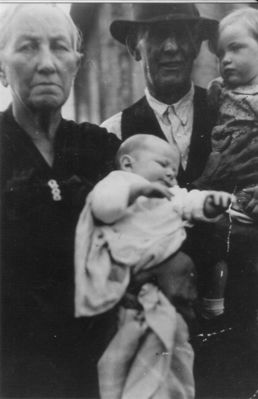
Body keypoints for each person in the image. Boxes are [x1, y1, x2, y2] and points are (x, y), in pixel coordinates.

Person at [0, 4, 121, 398]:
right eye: (28, 47)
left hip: (97, 369)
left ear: (77, 64)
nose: (47, 63)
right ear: (1, 67)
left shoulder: (101, 148)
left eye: (59, 48)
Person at [74, 134, 232, 399]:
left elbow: (187, 201)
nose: (171, 172)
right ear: (127, 163)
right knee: (131, 350)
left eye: (174, 167)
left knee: (175, 347)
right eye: (163, 164)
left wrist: (208, 204)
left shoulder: (168, 192)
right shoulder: (117, 183)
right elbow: (103, 208)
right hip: (130, 281)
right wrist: (138, 191)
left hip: (163, 290)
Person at [198, 7, 258, 321]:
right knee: (219, 235)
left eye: (236, 48)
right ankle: (215, 299)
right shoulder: (221, 91)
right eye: (221, 53)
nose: (226, 59)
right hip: (230, 187)